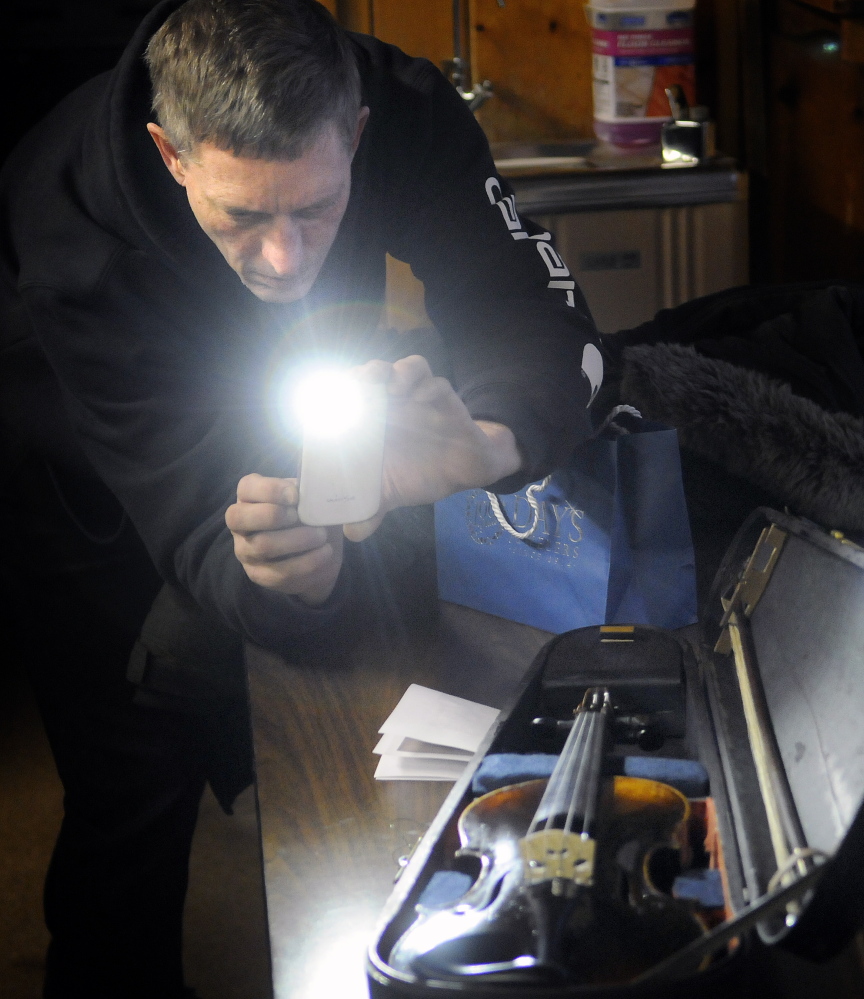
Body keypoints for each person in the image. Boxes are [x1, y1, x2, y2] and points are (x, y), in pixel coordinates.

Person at [0, 0, 603, 995]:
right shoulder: (72, 234)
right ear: (170, 152)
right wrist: (266, 575)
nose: (284, 260)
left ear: (356, 134)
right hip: (79, 461)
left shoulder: (403, 110)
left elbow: (528, 307)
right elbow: (189, 515)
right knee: (130, 780)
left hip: (283, 381)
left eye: (317, 208)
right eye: (244, 214)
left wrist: (487, 443)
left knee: (328, 677)